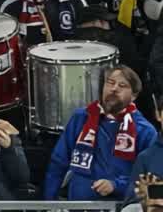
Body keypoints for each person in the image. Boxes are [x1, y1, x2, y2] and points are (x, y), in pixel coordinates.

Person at [45, 65, 156, 201]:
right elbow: (58, 163)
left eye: (122, 85)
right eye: (110, 83)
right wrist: (49, 203)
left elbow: (150, 181)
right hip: (79, 205)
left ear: (133, 96)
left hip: (121, 206)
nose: (114, 88)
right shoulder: (81, 118)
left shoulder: (144, 130)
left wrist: (116, 186)